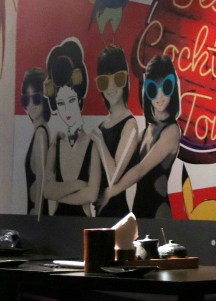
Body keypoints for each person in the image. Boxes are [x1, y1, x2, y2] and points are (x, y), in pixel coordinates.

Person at [98, 55, 180, 218]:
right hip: (138, 209)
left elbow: (140, 170)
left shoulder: (172, 131)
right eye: (153, 89)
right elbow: (122, 166)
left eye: (166, 86)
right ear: (146, 91)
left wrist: (110, 192)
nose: (159, 96)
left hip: (159, 212)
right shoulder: (146, 131)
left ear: (173, 88)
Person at [41, 38, 101, 217]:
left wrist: (59, 194)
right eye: (61, 103)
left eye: (71, 100)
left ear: (80, 99)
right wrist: (78, 184)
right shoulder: (57, 144)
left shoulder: (93, 143)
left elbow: (92, 194)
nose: (66, 109)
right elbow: (46, 191)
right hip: (57, 224)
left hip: (83, 223)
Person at [90, 44, 139, 217]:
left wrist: (99, 141)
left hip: (118, 216)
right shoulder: (102, 126)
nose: (110, 87)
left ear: (125, 80)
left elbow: (113, 177)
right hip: (99, 216)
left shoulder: (130, 125)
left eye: (117, 79)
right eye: (104, 81)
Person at [22, 67, 51, 215]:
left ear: (44, 99)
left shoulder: (40, 134)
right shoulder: (40, 131)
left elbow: (41, 185)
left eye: (36, 98)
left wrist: (36, 222)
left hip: (36, 215)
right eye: (26, 99)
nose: (30, 105)